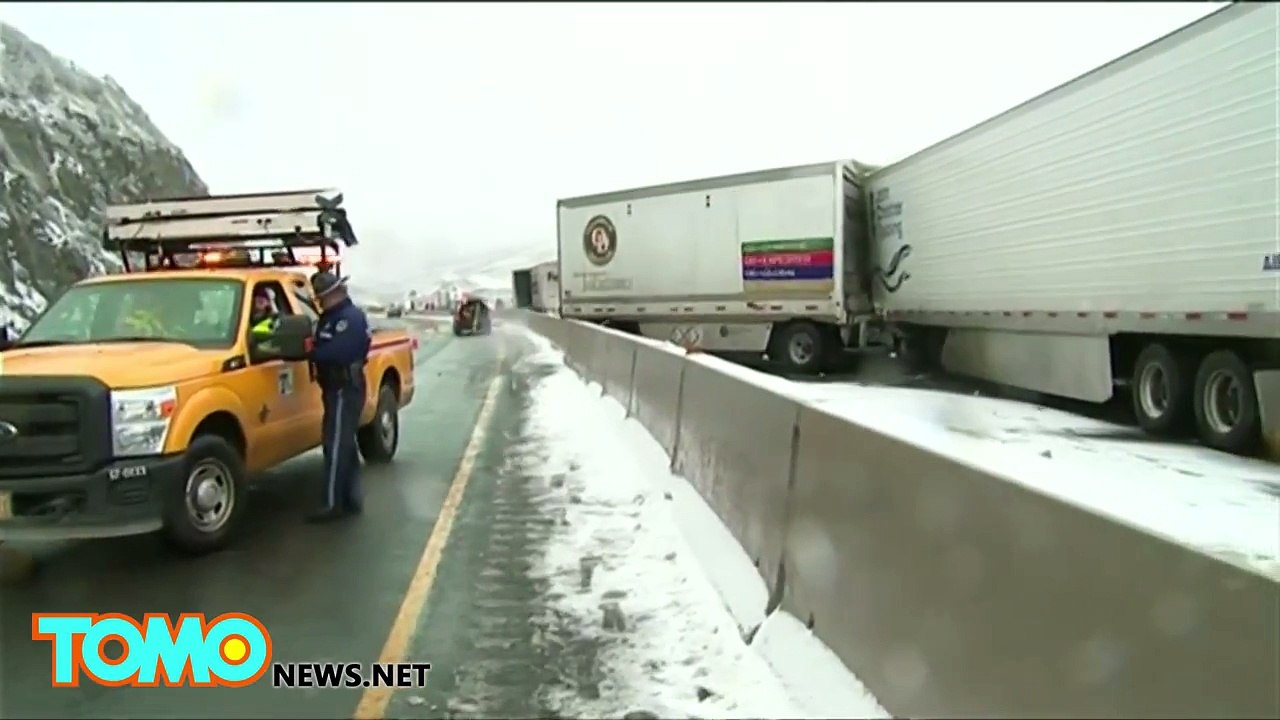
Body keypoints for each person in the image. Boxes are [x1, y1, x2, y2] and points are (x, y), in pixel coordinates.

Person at [307, 270, 372, 522]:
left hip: (345, 386)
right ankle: (351, 499)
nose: (321, 302)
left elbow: (340, 351)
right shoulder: (329, 319)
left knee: (335, 444)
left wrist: (311, 353)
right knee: (344, 443)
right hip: (334, 388)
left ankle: (332, 504)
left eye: (323, 297)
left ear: (335, 294)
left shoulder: (349, 318)